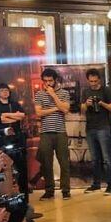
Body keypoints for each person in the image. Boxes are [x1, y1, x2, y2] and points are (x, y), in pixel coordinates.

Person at [34, 69, 70, 200]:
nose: (48, 83)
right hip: (45, 132)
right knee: (46, 163)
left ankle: (66, 190)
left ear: (55, 80)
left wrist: (53, 95)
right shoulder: (39, 94)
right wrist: (56, 108)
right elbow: (38, 113)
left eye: (50, 81)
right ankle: (49, 191)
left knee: (64, 162)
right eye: (45, 81)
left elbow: (65, 109)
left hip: (60, 131)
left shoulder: (64, 93)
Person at [80, 69, 111, 195]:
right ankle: (96, 184)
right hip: (90, 128)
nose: (93, 83)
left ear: (99, 79)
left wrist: (102, 103)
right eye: (91, 81)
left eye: (95, 81)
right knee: (95, 158)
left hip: (103, 127)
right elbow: (82, 109)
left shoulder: (105, 90)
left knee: (107, 158)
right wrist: (87, 104)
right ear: (87, 80)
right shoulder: (85, 91)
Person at [0, 83, 28, 195]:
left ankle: (23, 193)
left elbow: (21, 116)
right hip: (1, 140)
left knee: (21, 166)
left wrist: (6, 115)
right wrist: (13, 116)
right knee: (5, 166)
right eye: (2, 90)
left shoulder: (15, 104)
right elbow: (0, 119)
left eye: (6, 90)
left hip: (17, 138)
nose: (5, 92)